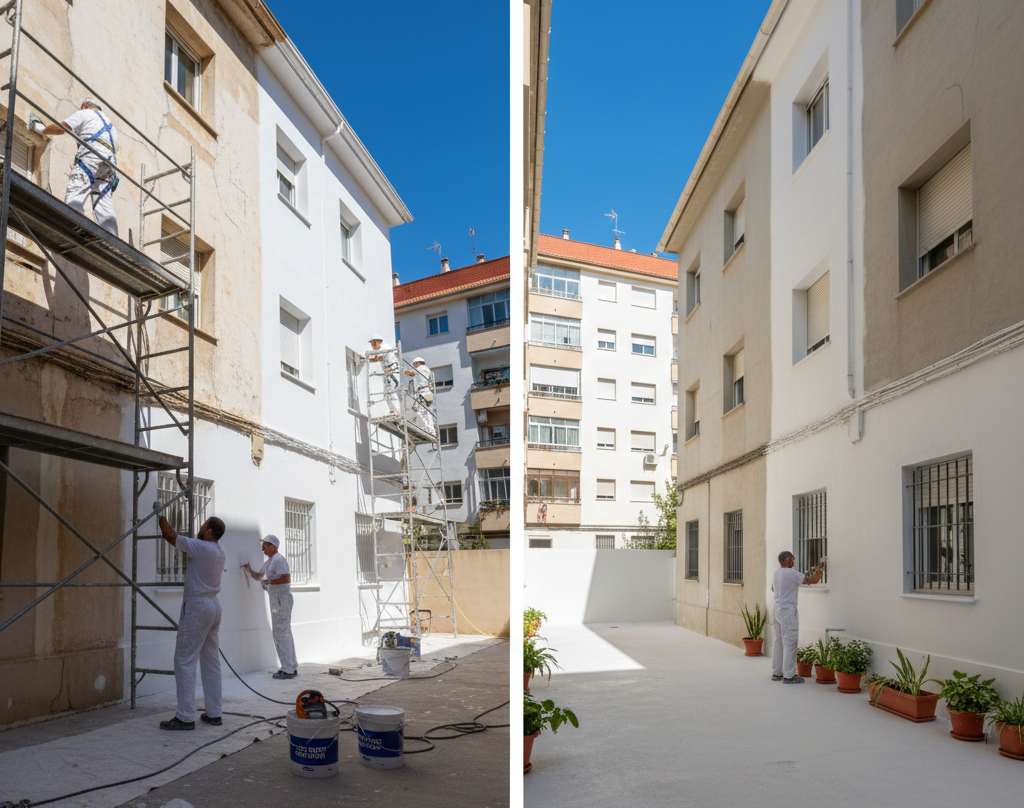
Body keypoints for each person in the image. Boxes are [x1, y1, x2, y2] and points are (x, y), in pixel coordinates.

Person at [153, 502, 227, 729]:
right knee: (211, 662)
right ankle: (214, 713)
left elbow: (170, 535)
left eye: (203, 525)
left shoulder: (201, 547)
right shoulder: (219, 552)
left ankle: (185, 717)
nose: (200, 528)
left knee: (184, 660)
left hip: (197, 608)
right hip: (213, 607)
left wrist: (160, 514)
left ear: (209, 532)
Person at [40, 99, 120, 236]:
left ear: (85, 106)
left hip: (91, 156)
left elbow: (61, 128)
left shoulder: (86, 113)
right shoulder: (112, 127)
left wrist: (42, 129)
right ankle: (114, 240)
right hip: (109, 164)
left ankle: (72, 226)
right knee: (104, 204)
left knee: (76, 191)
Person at [242, 535, 297, 680]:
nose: (264, 547)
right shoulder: (270, 562)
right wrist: (249, 569)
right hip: (278, 601)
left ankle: (287, 669)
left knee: (281, 633)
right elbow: (259, 576)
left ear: (274, 546)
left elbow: (286, 578)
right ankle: (292, 666)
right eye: (264, 544)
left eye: (267, 544)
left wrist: (269, 582)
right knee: (285, 632)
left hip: (281, 601)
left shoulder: (279, 559)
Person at [771, 551, 825, 684]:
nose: (794, 562)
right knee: (790, 641)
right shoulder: (792, 573)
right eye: (793, 559)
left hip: (776, 608)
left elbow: (773, 588)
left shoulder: (777, 572)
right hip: (787, 610)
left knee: (779, 641)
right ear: (789, 560)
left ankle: (777, 672)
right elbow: (812, 580)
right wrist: (819, 570)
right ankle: (789, 675)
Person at [369, 334, 400, 414]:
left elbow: (378, 358)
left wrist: (391, 368)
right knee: (387, 393)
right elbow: (377, 359)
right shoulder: (382, 350)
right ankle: (392, 410)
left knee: (391, 391)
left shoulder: (385, 348)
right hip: (387, 373)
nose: (373, 345)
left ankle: (396, 410)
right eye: (372, 344)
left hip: (392, 371)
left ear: (379, 342)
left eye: (374, 343)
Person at [405, 356, 433, 427]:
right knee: (427, 411)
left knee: (420, 410)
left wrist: (403, 371)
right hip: (428, 393)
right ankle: (430, 427)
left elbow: (411, 373)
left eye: (414, 365)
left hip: (423, 392)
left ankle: (425, 427)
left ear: (418, 363)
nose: (414, 366)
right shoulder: (427, 370)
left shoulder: (421, 368)